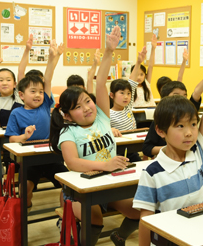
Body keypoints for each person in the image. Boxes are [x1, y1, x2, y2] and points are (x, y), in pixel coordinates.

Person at [133, 38, 203, 246]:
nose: (189, 133)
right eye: (180, 126)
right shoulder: (152, 173)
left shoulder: (199, 151)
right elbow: (146, 221)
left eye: (194, 125)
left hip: (200, 236)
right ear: (160, 131)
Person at [49, 26, 140, 246]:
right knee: (95, 221)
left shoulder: (101, 117)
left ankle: (119, 236)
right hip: (81, 188)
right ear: (68, 115)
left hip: (112, 183)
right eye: (78, 107)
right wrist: (106, 165)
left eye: (87, 101)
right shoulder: (68, 132)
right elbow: (72, 162)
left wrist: (109, 52)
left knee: (140, 210)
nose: (87, 108)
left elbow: (100, 83)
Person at [5, 39, 68, 207]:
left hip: (51, 157)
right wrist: (23, 137)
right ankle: (25, 211)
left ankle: (67, 217)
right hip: (29, 160)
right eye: (33, 91)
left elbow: (48, 78)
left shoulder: (46, 105)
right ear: (21, 95)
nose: (38, 95)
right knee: (24, 189)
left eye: (40, 91)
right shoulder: (16, 113)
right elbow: (11, 139)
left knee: (70, 185)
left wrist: (52, 57)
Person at [142, 53, 203, 158]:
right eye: (176, 95)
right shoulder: (161, 119)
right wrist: (170, 148)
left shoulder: (188, 111)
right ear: (165, 98)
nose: (182, 99)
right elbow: (147, 149)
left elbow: (198, 92)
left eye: (185, 96)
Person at [131, 33, 157, 108]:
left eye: (141, 74)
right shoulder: (131, 87)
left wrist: (153, 48)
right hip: (138, 115)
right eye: (137, 75)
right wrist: (138, 61)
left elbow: (151, 66)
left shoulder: (146, 83)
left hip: (151, 113)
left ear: (145, 75)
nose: (139, 77)